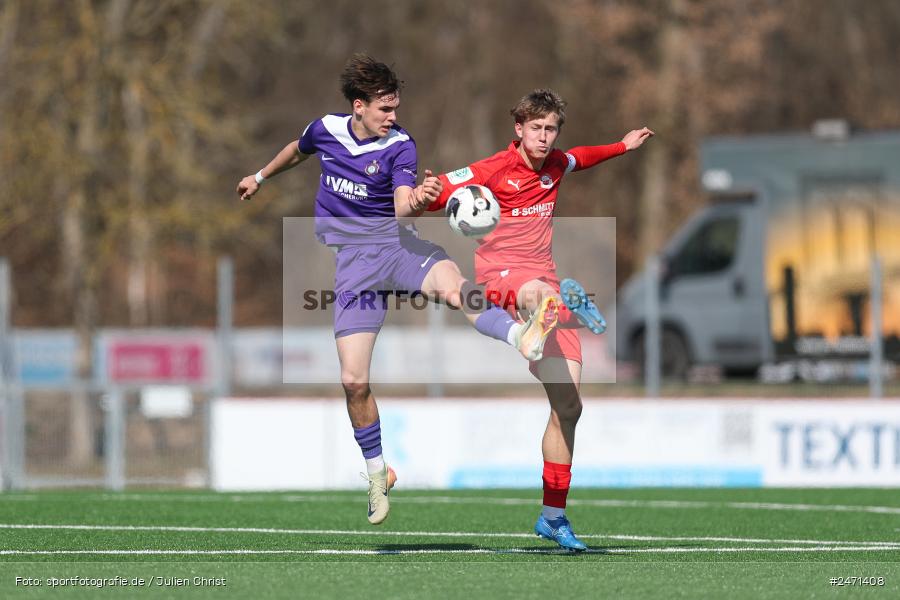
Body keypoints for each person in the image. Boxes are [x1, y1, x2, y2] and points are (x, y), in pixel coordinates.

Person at [236, 56, 557, 526]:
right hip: (354, 268)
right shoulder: (326, 129)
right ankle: (376, 472)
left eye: (396, 107)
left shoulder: (400, 146)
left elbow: (403, 205)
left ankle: (519, 336)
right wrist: (260, 177)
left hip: (394, 247)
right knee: (353, 382)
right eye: (385, 109)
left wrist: (422, 199)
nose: (393, 116)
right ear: (359, 106)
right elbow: (297, 149)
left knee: (455, 288)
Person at [428, 89, 653, 551]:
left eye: (551, 129)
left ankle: (553, 516)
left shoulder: (555, 165)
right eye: (537, 128)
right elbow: (442, 194)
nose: (545, 137)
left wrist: (622, 146)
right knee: (541, 295)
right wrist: (424, 193)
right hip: (503, 277)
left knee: (569, 408)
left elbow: (582, 158)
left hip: (545, 280)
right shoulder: (491, 170)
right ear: (519, 128)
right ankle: (560, 311)